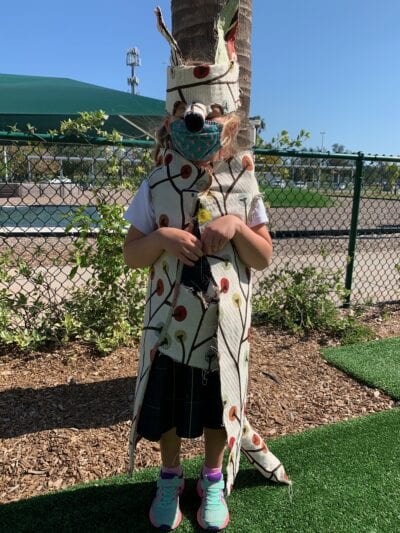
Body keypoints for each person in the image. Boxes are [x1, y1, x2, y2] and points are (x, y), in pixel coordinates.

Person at [123, 2, 290, 530]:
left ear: (230, 121)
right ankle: (169, 477)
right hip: (169, 327)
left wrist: (237, 227)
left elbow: (263, 257)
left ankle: (212, 478)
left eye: (211, 114)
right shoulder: (155, 185)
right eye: (186, 114)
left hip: (224, 328)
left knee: (220, 404)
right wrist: (162, 238)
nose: (198, 122)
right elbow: (132, 254)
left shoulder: (244, 183)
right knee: (170, 409)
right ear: (172, 120)